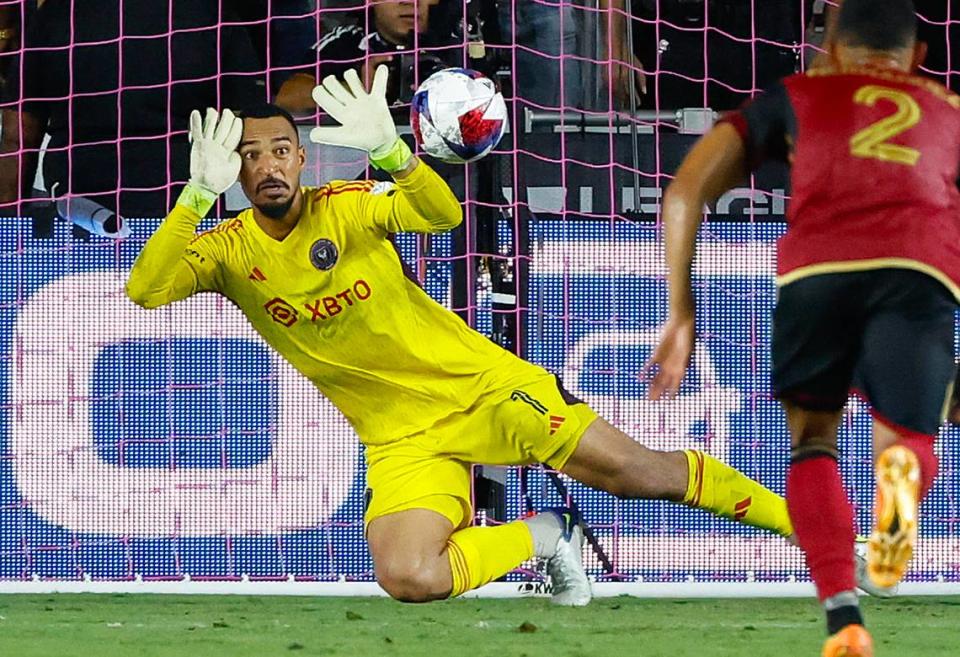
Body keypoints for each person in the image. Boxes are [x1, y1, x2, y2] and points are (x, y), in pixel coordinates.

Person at [126, 64, 798, 606]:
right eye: (249, 156)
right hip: (401, 437)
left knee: (640, 474)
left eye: (279, 150)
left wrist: (391, 152)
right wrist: (193, 196)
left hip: (486, 391)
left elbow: (439, 213)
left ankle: (812, 531)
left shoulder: (349, 209)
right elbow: (145, 289)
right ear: (232, 171)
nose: (267, 166)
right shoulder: (224, 250)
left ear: (303, 157)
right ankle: (541, 536)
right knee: (409, 575)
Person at [648, 0, 951, 654]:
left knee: (813, 439)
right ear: (921, 57)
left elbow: (684, 191)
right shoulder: (949, 110)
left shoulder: (796, 94)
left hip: (819, 274)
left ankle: (843, 613)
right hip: (919, 266)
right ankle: (901, 469)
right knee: (907, 435)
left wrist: (681, 309)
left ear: (834, 49)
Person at [0, 0, 263, 218]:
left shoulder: (58, 12)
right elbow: (247, 125)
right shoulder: (213, 11)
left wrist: (8, 231)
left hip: (78, 198)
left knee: (85, 280)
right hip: (186, 197)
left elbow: (18, 136)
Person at [275, 0, 460, 113]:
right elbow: (287, 98)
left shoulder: (462, 44)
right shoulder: (349, 41)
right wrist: (354, 90)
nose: (410, 2)